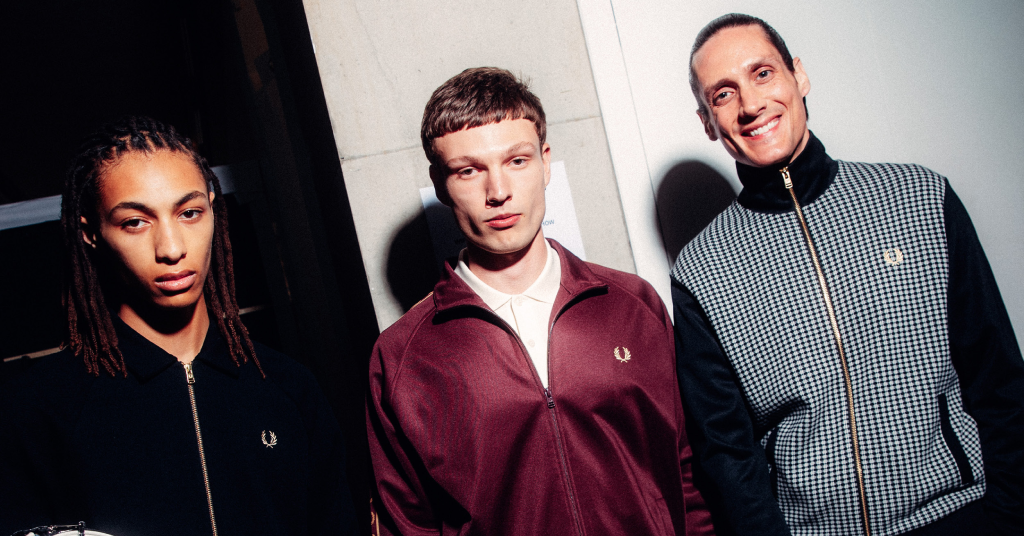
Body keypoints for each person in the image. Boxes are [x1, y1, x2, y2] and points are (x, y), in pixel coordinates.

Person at [671, 13, 1024, 536]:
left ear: (798, 75)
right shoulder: (701, 268)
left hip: (960, 516)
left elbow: (998, 376)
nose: (750, 104)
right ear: (707, 122)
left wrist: (1009, 517)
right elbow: (727, 454)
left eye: (762, 73)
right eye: (723, 94)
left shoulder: (919, 198)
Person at [366, 67, 715, 535]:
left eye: (517, 160)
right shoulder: (402, 357)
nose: (498, 192)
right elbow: (408, 525)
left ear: (545, 163)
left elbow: (688, 476)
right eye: (469, 170)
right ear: (440, 183)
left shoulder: (632, 305)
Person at [0, 117, 357, 536]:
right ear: (91, 233)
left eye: (189, 213)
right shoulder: (40, 409)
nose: (171, 248)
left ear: (213, 209)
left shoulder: (288, 388)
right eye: (135, 222)